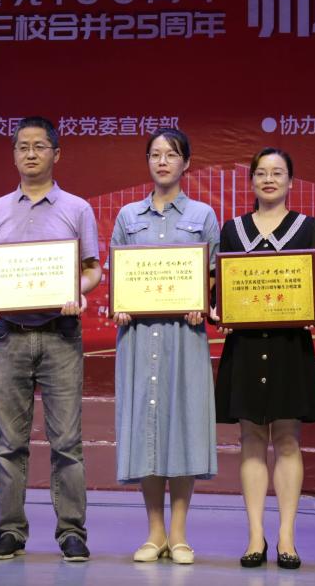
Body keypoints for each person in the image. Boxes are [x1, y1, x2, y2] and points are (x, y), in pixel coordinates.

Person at [0, 116, 100, 563]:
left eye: (39, 146)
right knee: (10, 443)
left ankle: (72, 531)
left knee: (67, 442)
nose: (30, 153)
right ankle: (11, 530)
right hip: (8, 334)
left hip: (60, 335)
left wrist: (76, 292)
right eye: (22, 146)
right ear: (13, 154)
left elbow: (92, 270)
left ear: (56, 154)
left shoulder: (77, 209)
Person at [213, 147, 315, 570]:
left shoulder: (308, 227)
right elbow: (221, 288)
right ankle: (254, 535)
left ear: (290, 182)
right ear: (251, 181)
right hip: (245, 346)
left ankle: (286, 537)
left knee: (287, 439)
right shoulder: (233, 230)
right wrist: (220, 309)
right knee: (250, 439)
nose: (268, 179)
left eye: (277, 173)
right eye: (261, 173)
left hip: (288, 346)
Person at [110, 128, 219, 565]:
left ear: (186, 163)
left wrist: (202, 301)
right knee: (147, 429)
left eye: (171, 155)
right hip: (138, 338)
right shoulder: (128, 216)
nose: (162, 162)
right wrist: (121, 305)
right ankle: (154, 532)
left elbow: (213, 275)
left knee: (183, 426)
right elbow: (120, 275)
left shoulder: (203, 215)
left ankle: (180, 533)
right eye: (155, 154)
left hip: (184, 336)